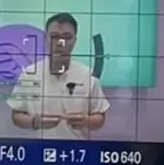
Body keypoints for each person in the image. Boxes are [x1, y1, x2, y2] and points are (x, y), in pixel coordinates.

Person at [7, 12, 110, 140]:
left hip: (77, 149)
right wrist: (35, 122)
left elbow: (100, 117)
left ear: (74, 41)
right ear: (46, 39)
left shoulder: (88, 76)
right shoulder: (29, 73)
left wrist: (85, 121)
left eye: (67, 37)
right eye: (54, 36)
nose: (60, 43)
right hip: (37, 149)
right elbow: (16, 116)